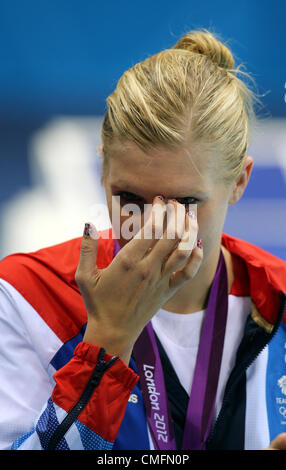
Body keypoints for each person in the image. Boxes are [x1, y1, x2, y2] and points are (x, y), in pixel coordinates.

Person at [0, 29, 285, 451]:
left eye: (184, 202)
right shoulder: (25, 295)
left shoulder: (278, 298)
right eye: (129, 198)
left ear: (240, 181)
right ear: (102, 170)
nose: (156, 228)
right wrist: (109, 339)